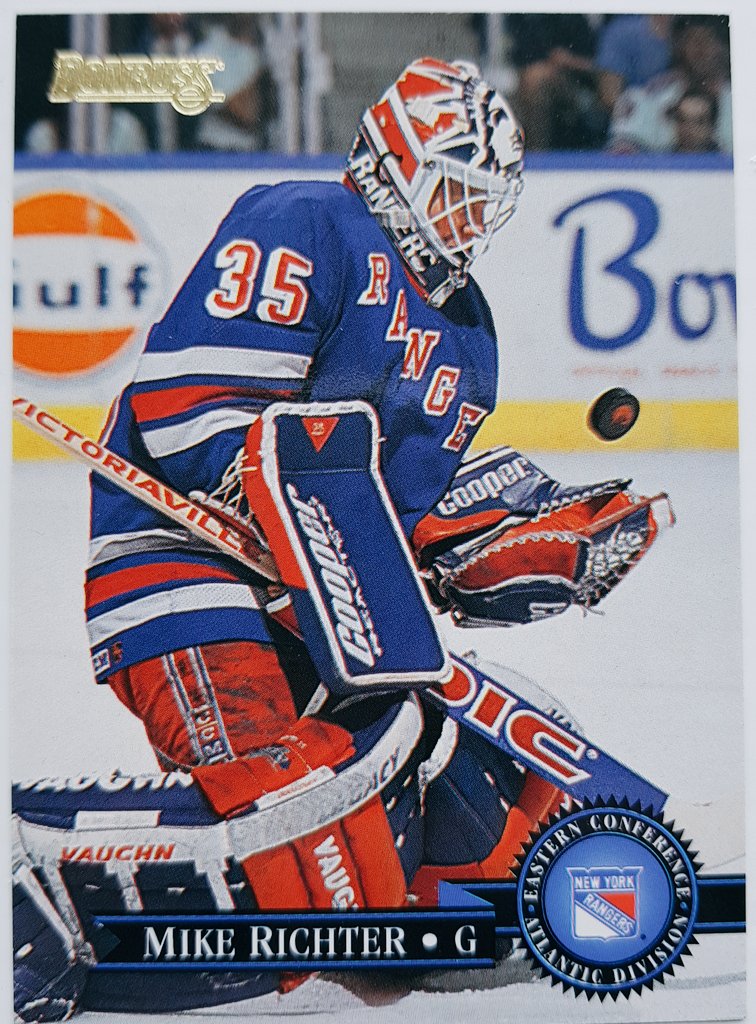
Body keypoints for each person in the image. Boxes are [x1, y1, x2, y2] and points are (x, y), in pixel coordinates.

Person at [13, 59, 667, 1019]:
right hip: (186, 564)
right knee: (291, 835)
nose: (468, 221)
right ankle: (35, 875)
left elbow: (407, 523)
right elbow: (191, 411)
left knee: (399, 855)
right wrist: (292, 506)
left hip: (324, 613)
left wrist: (512, 549)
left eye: (485, 203)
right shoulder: (306, 221)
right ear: (392, 161)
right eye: (452, 190)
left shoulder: (469, 333)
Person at [607, 14, 732, 154]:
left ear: (723, 47)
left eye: (708, 39)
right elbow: (622, 153)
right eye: (692, 39)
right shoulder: (648, 98)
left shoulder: (739, 102)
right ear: (679, 46)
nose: (700, 48)